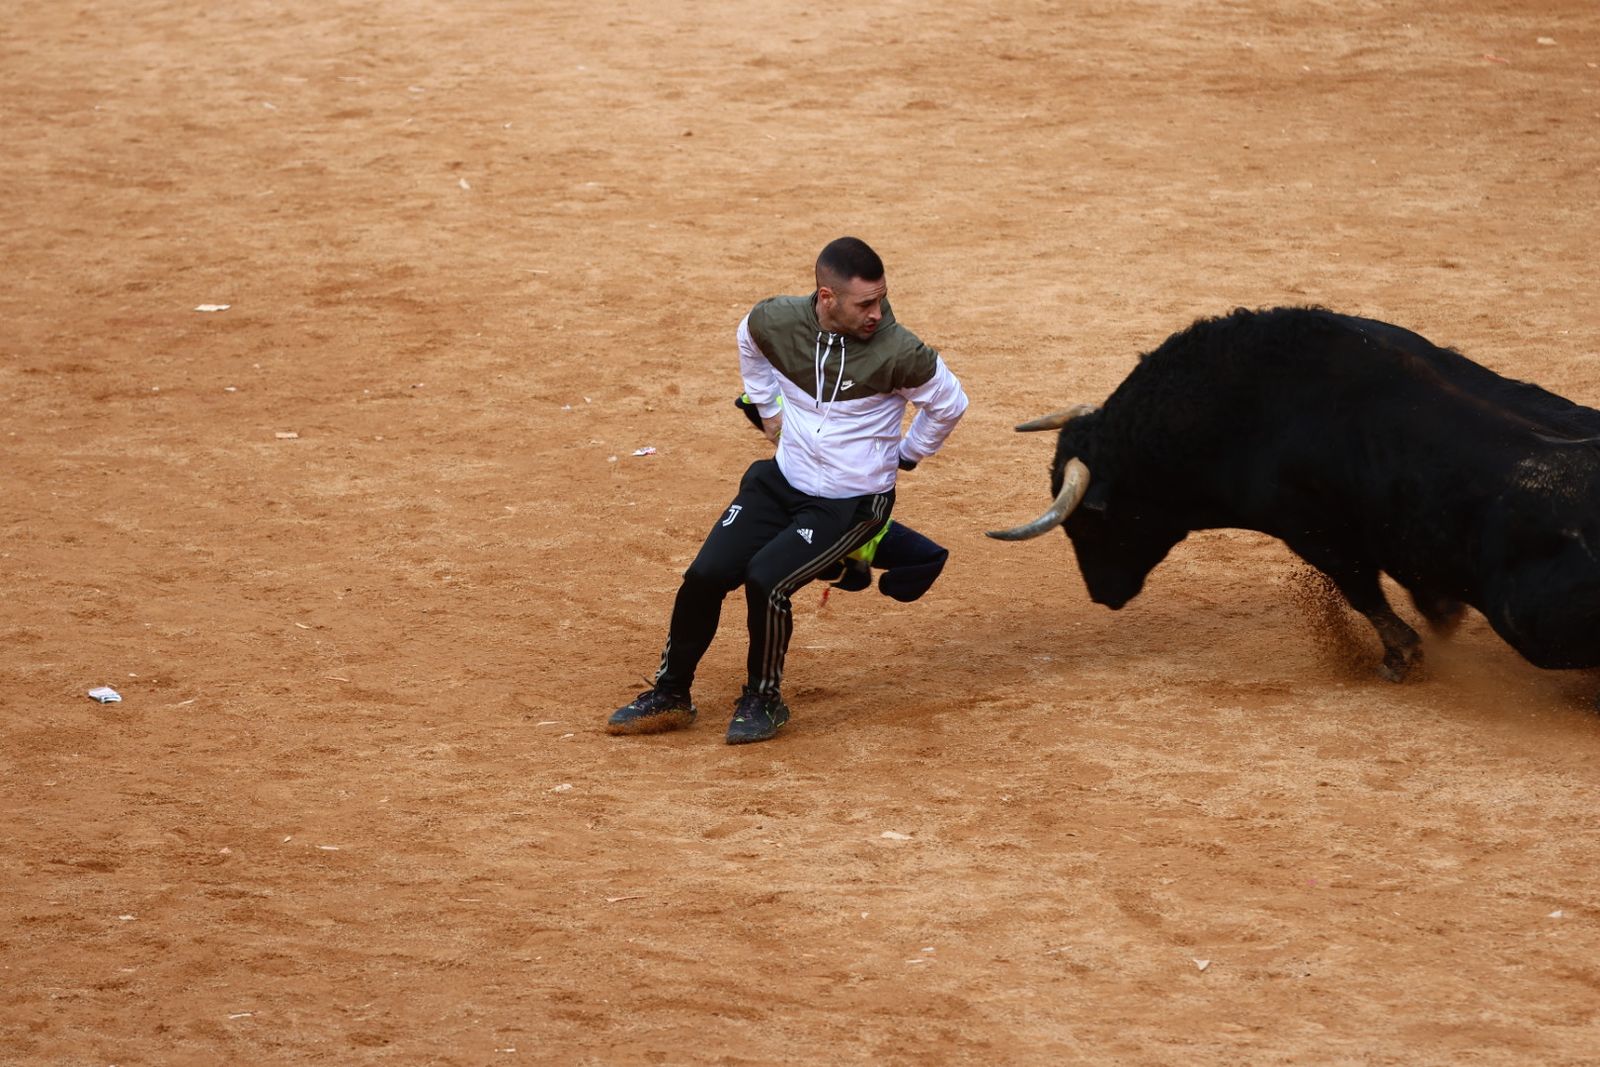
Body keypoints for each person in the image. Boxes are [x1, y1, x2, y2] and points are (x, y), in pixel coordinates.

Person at [607, 236, 969, 744]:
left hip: (851, 503)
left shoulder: (900, 351)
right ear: (826, 297)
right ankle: (671, 693)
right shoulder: (776, 320)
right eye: (865, 302)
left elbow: (950, 403)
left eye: (881, 298)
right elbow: (747, 340)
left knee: (766, 580)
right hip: (782, 481)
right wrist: (769, 411)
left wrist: (908, 453)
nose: (877, 312)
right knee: (705, 574)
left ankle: (764, 698)